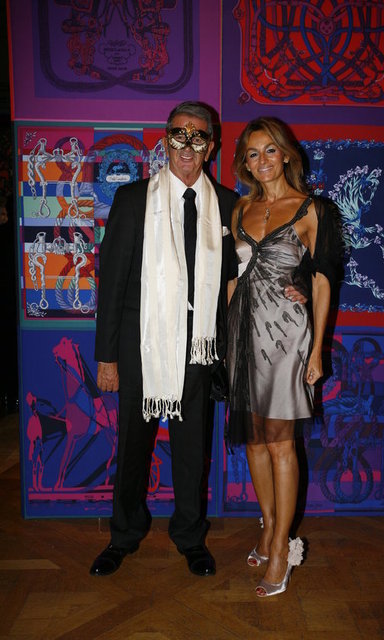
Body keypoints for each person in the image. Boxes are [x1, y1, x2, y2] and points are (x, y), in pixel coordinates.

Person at [90, 101, 240, 577]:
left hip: (199, 349)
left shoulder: (228, 204)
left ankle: (191, 538)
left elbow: (239, 279)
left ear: (211, 146)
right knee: (133, 448)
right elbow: (112, 283)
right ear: (165, 140)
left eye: (199, 137)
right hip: (143, 348)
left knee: (192, 450)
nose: (188, 146)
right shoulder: (134, 199)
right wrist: (107, 357)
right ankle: (123, 535)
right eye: (179, 134)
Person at [226, 117, 339, 597]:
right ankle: (269, 525)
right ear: (245, 163)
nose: (262, 161)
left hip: (287, 337)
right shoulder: (240, 209)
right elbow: (233, 278)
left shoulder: (313, 209)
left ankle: (280, 550)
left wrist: (316, 349)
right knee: (254, 441)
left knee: (279, 443)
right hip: (242, 337)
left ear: (287, 154)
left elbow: (322, 281)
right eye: (252, 154)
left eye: (270, 150)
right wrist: (225, 341)